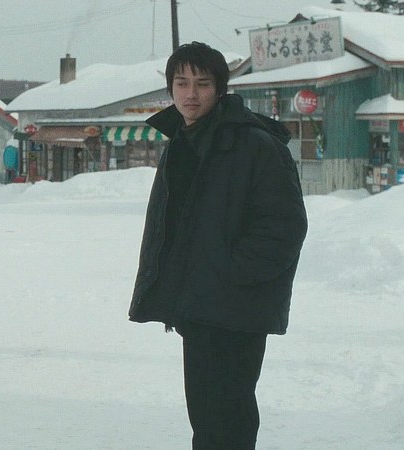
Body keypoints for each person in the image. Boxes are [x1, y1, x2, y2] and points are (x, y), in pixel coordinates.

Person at [128, 42, 307, 449]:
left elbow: (285, 226)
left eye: (202, 84)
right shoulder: (183, 142)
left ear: (220, 88)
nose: (190, 94)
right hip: (198, 305)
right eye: (181, 83)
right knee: (207, 420)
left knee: (228, 418)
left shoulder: (254, 145)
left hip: (236, 307)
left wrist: (229, 273)